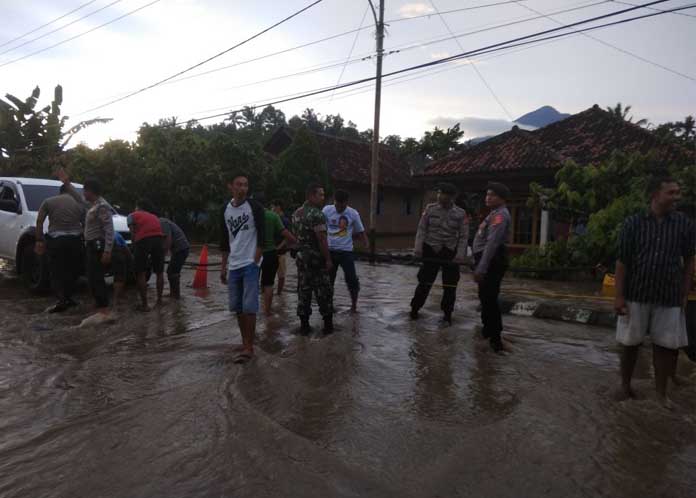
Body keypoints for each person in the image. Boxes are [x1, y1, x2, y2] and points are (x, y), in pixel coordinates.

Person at [614, 176, 695, 407]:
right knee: (630, 344)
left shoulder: (684, 224)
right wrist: (618, 295)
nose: (677, 197)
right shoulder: (633, 223)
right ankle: (625, 387)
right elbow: (622, 261)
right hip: (635, 293)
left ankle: (661, 395)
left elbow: (689, 259)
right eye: (671, 192)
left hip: (669, 295)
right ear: (655, 195)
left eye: (678, 192)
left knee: (667, 346)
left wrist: (685, 291)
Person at [220, 173, 265, 363]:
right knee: (237, 307)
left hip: (250, 263)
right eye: (238, 184)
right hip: (234, 263)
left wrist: (256, 259)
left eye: (246, 185)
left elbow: (263, 234)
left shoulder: (255, 207)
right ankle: (245, 341)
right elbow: (225, 240)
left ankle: (249, 347)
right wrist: (224, 266)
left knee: (249, 307)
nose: (243, 188)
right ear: (230, 186)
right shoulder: (225, 209)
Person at [59, 169, 115, 320]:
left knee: (96, 277)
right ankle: (99, 305)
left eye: (84, 190)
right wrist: (67, 183)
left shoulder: (102, 206)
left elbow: (110, 230)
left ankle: (104, 309)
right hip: (91, 245)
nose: (83, 192)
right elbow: (79, 199)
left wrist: (107, 251)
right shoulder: (93, 205)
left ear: (90, 191)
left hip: (98, 246)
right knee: (91, 276)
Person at [410, 183, 469, 324]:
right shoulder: (430, 209)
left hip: (450, 251)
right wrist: (418, 249)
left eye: (444, 194)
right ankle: (414, 310)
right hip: (431, 249)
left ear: (452, 197)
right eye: (439, 193)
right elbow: (421, 230)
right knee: (424, 282)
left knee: (450, 286)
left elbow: (463, 236)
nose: (440, 196)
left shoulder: (460, 213)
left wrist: (460, 255)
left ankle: (447, 315)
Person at [35, 177, 85, 312]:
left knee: (56, 271)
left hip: (56, 241)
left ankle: (61, 300)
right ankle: (70, 298)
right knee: (72, 270)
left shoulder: (48, 201)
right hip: (75, 240)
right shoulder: (79, 204)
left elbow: (39, 221)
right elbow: (85, 222)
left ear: (60, 192)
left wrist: (39, 240)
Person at [472, 182, 512, 353]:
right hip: (486, 259)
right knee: (485, 297)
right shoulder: (493, 214)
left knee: (489, 299)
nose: (487, 198)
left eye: (492, 195)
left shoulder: (500, 216)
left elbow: (492, 243)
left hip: (492, 260)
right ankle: (488, 332)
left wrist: (481, 267)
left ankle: (495, 340)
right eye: (487, 194)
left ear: (502, 199)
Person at [292, 183, 334, 334]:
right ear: (311, 196)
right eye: (320, 195)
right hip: (316, 259)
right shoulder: (317, 214)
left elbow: (296, 237)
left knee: (304, 290)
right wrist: (328, 259)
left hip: (302, 259)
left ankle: (304, 326)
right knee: (324, 291)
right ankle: (328, 326)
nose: (323, 198)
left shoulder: (296, 213)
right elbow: (322, 239)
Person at [322, 189, 368, 312]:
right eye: (337, 205)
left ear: (346, 203)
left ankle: (353, 306)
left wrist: (365, 244)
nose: (338, 208)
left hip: (346, 252)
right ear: (334, 201)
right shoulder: (326, 210)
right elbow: (319, 227)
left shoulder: (353, 214)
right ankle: (328, 305)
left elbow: (361, 231)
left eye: (341, 205)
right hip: (330, 251)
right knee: (328, 280)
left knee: (352, 279)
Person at [257, 195, 296, 314]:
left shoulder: (252, 216)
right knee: (269, 283)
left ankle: (251, 310)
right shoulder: (273, 216)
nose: (272, 207)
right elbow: (286, 234)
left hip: (255, 254)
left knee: (253, 282)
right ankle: (267, 311)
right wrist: (297, 242)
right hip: (271, 253)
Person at [127, 200, 165, 311]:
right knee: (159, 272)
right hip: (159, 239)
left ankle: (145, 305)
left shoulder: (132, 215)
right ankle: (159, 301)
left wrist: (134, 249)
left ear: (138, 207)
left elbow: (133, 233)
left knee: (140, 272)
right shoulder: (154, 216)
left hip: (143, 240)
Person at [159, 216, 190, 299]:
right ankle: (173, 294)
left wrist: (163, 256)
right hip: (179, 249)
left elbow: (168, 240)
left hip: (181, 249)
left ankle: (176, 296)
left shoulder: (162, 222)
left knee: (172, 272)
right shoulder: (162, 222)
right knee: (171, 271)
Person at [271, 200, 291, 296]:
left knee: (281, 275)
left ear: (278, 207)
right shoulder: (272, 219)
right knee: (268, 275)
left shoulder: (285, 220)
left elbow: (287, 237)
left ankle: (279, 294)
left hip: (280, 252)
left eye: (273, 207)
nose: (272, 209)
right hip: (272, 251)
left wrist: (279, 247)